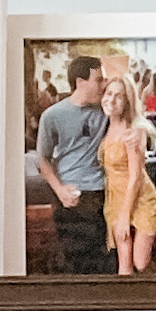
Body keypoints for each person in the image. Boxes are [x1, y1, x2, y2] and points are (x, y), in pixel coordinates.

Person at [34, 52, 112, 275]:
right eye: (98, 79)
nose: (102, 85)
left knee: (102, 258)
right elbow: (42, 159)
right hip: (69, 195)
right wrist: (59, 190)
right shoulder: (52, 115)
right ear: (80, 82)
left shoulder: (106, 111)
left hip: (100, 193)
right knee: (74, 259)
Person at [99, 63, 156, 275]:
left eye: (118, 96)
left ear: (127, 101)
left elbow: (136, 177)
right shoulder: (104, 126)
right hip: (116, 199)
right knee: (124, 262)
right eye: (108, 93)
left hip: (140, 198)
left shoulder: (133, 132)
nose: (111, 100)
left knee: (141, 262)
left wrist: (125, 216)